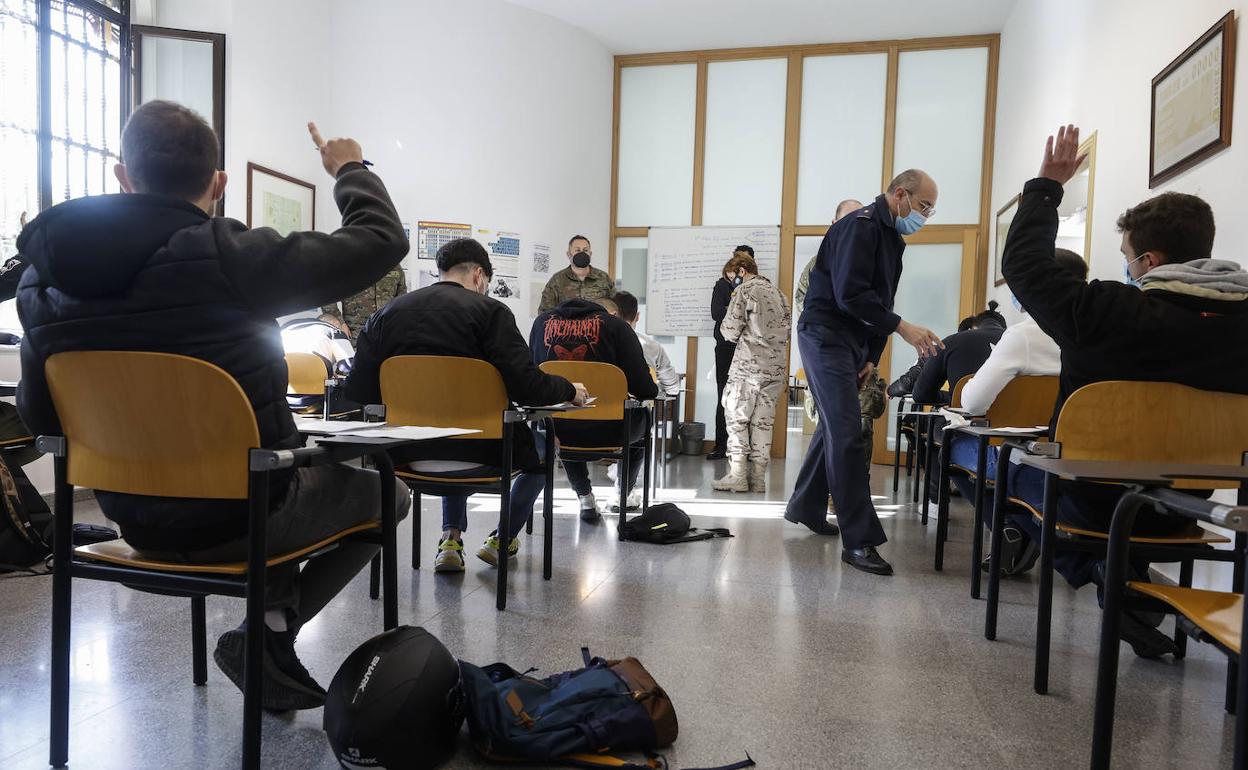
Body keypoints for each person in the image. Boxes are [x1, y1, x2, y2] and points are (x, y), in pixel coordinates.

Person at [14, 101, 413, 710]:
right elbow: (381, 240)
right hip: (245, 518)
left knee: (273, 471)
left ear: (125, 177)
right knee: (388, 491)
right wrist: (349, 167)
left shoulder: (42, 283)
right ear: (218, 185)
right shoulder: (229, 255)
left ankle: (272, 635)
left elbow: (42, 419)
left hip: (132, 520)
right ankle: (266, 635)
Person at [1002, 124, 1248, 657]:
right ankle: (1129, 584)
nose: (1125, 264)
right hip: (1191, 504)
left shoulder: (1108, 312)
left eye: (1127, 254)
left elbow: (1023, 266)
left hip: (1091, 502)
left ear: (1150, 263)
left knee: (1009, 466)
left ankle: (1101, 571)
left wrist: (1046, 186)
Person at [344, 238, 585, 572]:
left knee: (446, 426)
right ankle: (502, 537)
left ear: (441, 271)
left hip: (404, 455)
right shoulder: (492, 314)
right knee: (543, 450)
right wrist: (569, 388)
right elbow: (528, 387)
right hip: (483, 453)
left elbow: (359, 389)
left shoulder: (385, 315)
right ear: (478, 275)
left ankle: (451, 539)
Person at [785, 169, 944, 576]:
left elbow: (880, 301)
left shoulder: (893, 239)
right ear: (900, 194)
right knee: (846, 430)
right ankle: (859, 541)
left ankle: (805, 505)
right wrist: (904, 328)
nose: (925, 215)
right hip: (823, 336)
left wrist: (872, 355)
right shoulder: (859, 227)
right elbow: (851, 294)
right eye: (924, 205)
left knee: (834, 428)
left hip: (851, 342)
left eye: (931, 209)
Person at [947, 249, 1087, 576]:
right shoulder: (1096, 332)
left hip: (1021, 454)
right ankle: (1019, 530)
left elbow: (973, 404)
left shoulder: (1024, 334)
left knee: (951, 447)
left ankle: (1011, 526)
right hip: (1078, 455)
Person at [530, 297, 658, 520]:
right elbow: (645, 389)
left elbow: (532, 377)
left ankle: (585, 498)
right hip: (614, 430)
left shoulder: (541, 324)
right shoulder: (617, 327)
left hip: (556, 430)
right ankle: (621, 494)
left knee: (565, 417)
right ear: (613, 314)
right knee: (643, 418)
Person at [711, 254, 791, 493]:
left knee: (737, 420)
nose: (732, 282)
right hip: (775, 370)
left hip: (747, 370)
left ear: (742, 271)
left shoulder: (745, 291)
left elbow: (729, 332)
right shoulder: (780, 294)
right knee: (763, 424)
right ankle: (758, 478)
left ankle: (737, 476)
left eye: (732, 277)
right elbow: (786, 331)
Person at [910, 302, 1007, 405]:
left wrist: (953, 398)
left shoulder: (951, 342)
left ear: (973, 326)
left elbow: (921, 394)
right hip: (1017, 419)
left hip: (963, 418)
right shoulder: (1019, 341)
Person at [708, 247, 754, 460]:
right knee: (724, 396)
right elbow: (717, 313)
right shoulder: (721, 285)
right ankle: (720, 445)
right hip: (726, 347)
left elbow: (756, 316)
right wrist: (736, 309)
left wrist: (732, 309)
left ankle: (746, 449)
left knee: (748, 398)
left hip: (749, 348)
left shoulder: (757, 286)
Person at [793, 199, 864, 312]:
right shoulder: (818, 262)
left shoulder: (872, 260)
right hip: (823, 326)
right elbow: (802, 298)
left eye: (858, 222)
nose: (852, 228)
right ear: (834, 224)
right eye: (846, 222)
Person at [613, 291, 680, 397]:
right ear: (637, 316)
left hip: (604, 407)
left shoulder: (600, 343)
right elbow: (673, 387)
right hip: (640, 408)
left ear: (612, 314)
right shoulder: (652, 346)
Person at [320, 262, 406, 342]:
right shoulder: (347, 265)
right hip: (355, 333)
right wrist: (340, 323)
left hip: (386, 334)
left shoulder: (394, 266)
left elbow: (401, 301)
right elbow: (327, 296)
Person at [537, 235, 613, 313]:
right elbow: (544, 312)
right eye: (577, 250)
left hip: (598, 324)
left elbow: (616, 308)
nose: (582, 253)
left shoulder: (603, 278)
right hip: (566, 324)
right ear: (569, 254)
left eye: (585, 250)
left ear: (590, 253)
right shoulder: (557, 280)